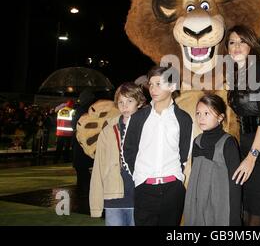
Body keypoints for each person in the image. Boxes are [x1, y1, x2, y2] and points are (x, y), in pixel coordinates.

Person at [224, 25, 260, 226]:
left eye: (242, 41)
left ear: (251, 45)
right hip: (245, 145)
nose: (236, 46)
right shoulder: (235, 76)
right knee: (247, 212)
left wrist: (252, 156)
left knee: (256, 215)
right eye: (232, 42)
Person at [123, 65, 193, 226]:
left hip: (172, 189)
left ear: (172, 86)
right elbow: (128, 150)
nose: (153, 89)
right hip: (144, 187)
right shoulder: (139, 117)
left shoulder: (183, 118)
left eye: (158, 84)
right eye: (151, 84)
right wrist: (139, 177)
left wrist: (176, 180)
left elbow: (184, 153)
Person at [90, 82, 146, 226]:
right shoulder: (108, 131)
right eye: (120, 102)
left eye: (129, 101)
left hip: (139, 197)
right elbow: (98, 169)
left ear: (139, 103)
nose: (124, 106)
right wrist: (96, 205)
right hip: (113, 199)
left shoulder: (148, 128)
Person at [184, 94, 241, 226]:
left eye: (206, 113)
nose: (201, 118)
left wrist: (234, 217)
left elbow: (235, 184)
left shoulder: (228, 142)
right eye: (198, 113)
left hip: (219, 205)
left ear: (220, 117)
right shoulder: (197, 141)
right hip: (198, 205)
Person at [72, 89, 96, 200]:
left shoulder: (80, 110)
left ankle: (83, 192)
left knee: (81, 170)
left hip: (80, 143)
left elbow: (74, 125)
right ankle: (86, 191)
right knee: (84, 169)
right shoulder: (92, 110)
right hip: (89, 144)